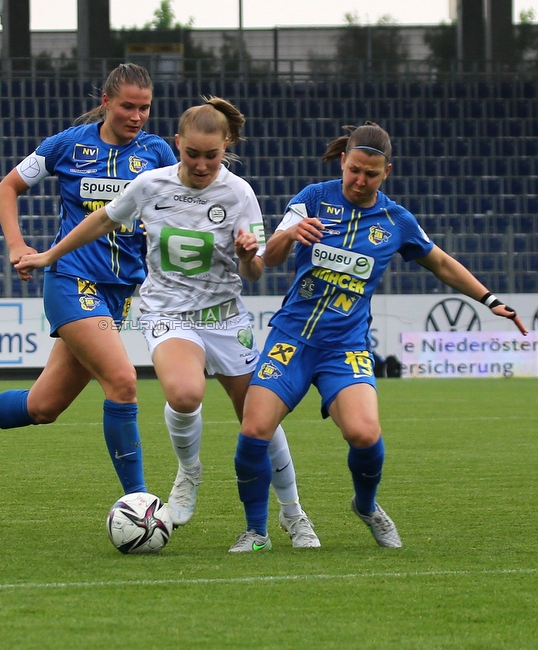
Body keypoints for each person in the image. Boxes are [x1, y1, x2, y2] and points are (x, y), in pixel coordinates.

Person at [16, 97, 320, 547]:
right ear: (177, 144)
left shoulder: (240, 194)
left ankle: (294, 516)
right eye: (191, 154)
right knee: (184, 393)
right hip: (167, 312)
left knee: (259, 419)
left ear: (226, 147)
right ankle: (189, 474)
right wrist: (50, 254)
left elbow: (256, 271)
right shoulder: (149, 184)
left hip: (225, 317)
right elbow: (101, 220)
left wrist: (245, 254)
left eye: (211, 156)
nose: (200, 165)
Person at [227, 122, 529, 553]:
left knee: (366, 436)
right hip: (291, 339)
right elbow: (268, 258)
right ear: (343, 160)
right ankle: (257, 532)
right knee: (253, 431)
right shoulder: (312, 198)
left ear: (387, 171)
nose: (359, 180)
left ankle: (366, 506)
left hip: (344, 348)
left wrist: (489, 298)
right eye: (353, 170)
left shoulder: (395, 220)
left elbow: (441, 263)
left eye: (370, 173)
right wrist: (291, 233)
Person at [0, 64, 177, 497]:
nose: (136, 116)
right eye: (127, 106)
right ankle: (138, 503)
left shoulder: (156, 153)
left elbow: (181, 204)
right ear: (106, 102)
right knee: (123, 381)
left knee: (43, 407)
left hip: (119, 294)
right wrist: (17, 247)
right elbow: (7, 188)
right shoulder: (67, 145)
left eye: (144, 108)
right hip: (71, 281)